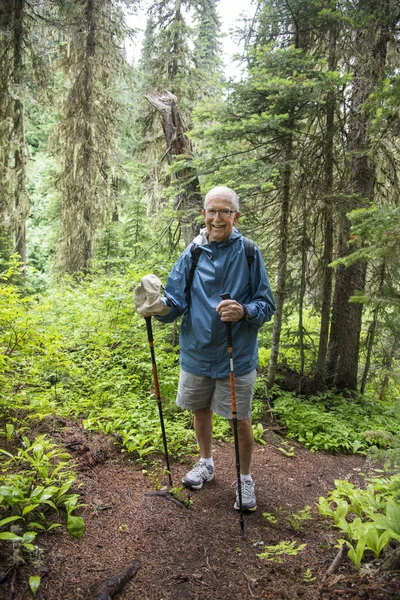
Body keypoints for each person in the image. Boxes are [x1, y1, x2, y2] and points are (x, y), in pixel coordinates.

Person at [134, 186, 275, 512]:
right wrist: (156, 306)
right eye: (211, 211)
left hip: (235, 353)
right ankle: (206, 463)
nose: (216, 217)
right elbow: (176, 303)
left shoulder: (249, 253)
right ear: (203, 214)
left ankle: (244, 478)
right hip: (197, 352)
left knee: (240, 420)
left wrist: (244, 310)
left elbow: (266, 304)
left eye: (224, 211)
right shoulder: (193, 253)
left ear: (236, 216)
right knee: (201, 411)